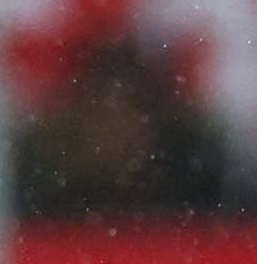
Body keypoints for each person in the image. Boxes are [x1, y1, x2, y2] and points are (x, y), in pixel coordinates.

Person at [15, 39, 229, 221]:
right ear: (81, 119)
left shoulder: (194, 180)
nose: (114, 129)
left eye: (125, 114)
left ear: (150, 121)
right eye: (101, 115)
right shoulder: (46, 187)